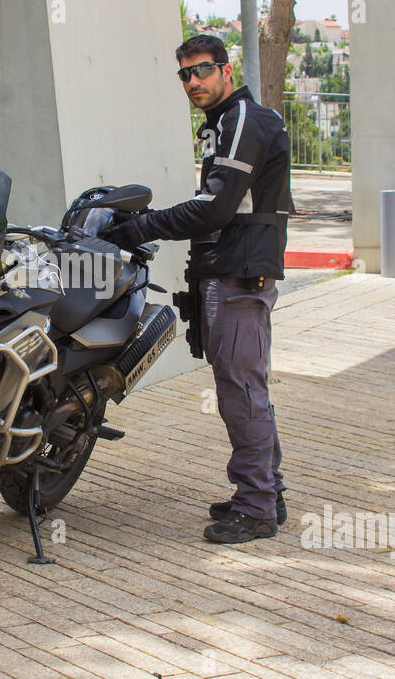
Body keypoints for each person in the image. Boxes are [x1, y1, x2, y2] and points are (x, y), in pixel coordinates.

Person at [104, 35, 294, 544]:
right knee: (246, 387)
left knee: (242, 391)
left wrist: (141, 227)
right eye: (185, 75)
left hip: (239, 274)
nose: (193, 82)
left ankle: (256, 507)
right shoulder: (225, 126)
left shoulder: (244, 121)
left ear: (226, 70)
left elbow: (215, 209)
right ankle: (265, 491)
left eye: (202, 70)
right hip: (230, 272)